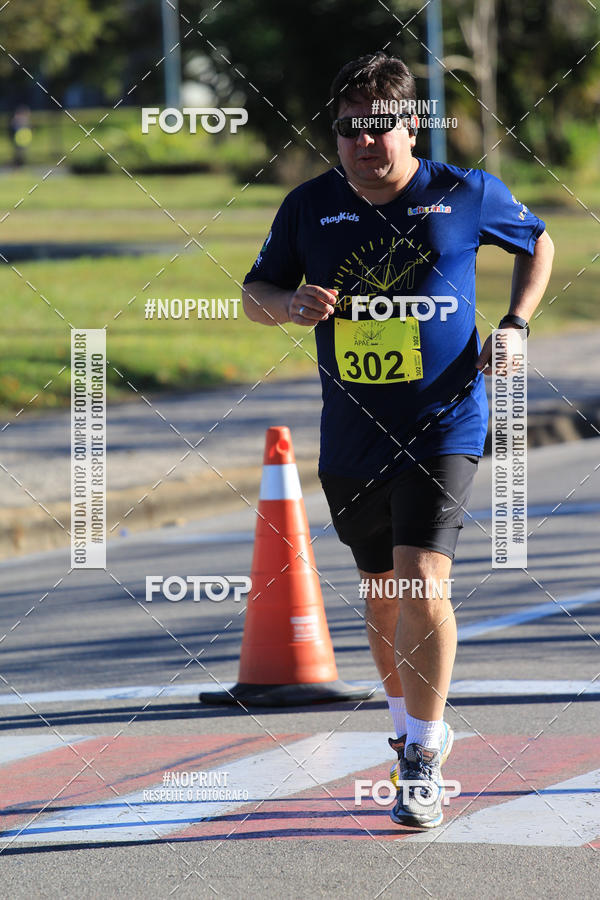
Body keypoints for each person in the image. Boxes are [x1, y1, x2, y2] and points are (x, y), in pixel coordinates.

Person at [242, 51, 554, 828]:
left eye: (378, 128)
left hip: (445, 422)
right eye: (348, 130)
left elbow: (538, 241)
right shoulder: (309, 206)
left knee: (421, 582)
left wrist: (516, 324)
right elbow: (254, 293)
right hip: (352, 435)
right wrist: (289, 306)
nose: (363, 143)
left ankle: (422, 754)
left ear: (411, 126)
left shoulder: (464, 192)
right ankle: (407, 727)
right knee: (382, 596)